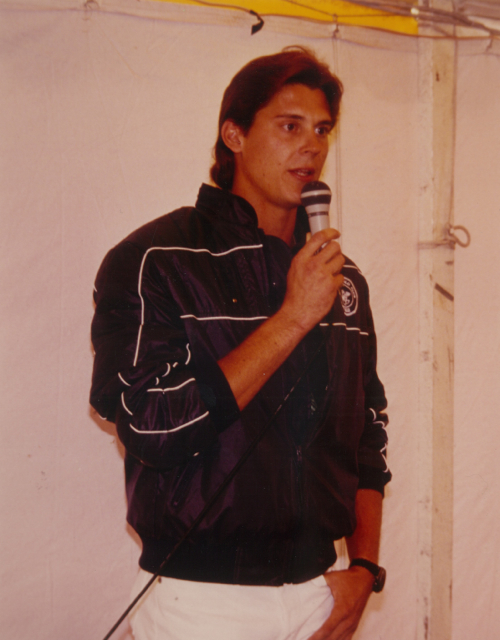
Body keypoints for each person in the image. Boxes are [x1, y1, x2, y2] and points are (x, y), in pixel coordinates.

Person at [90, 47, 391, 640]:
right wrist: (292, 318)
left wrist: (363, 568)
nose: (311, 146)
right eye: (289, 126)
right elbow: (150, 424)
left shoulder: (342, 280)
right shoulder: (156, 259)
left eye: (322, 130)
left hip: (321, 592)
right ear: (234, 134)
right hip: (202, 603)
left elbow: (369, 434)